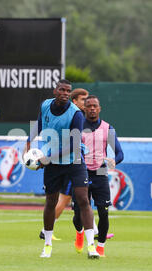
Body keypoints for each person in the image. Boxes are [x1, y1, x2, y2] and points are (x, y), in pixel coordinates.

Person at [26, 79, 100, 259]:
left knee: (83, 199)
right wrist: (29, 141)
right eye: (63, 90)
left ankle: (91, 246)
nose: (66, 93)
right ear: (55, 91)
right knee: (51, 201)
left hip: (74, 160)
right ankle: (48, 245)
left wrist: (47, 158)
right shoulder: (45, 105)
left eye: (68, 91)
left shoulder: (76, 114)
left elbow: (75, 144)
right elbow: (40, 124)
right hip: (52, 164)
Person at [72, 95, 124, 257]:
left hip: (101, 171)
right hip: (82, 171)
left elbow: (120, 153)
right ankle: (80, 232)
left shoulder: (108, 128)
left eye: (95, 106)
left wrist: (114, 161)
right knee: (78, 214)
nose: (92, 108)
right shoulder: (78, 127)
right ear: (84, 109)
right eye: (89, 106)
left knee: (103, 211)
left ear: (99, 108)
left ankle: (100, 247)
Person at [38, 88, 90, 241]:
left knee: (82, 199)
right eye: (83, 100)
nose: (86, 103)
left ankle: (90, 231)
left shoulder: (81, 116)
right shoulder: (73, 115)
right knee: (66, 197)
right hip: (67, 161)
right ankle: (46, 229)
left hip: (78, 160)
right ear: (74, 101)